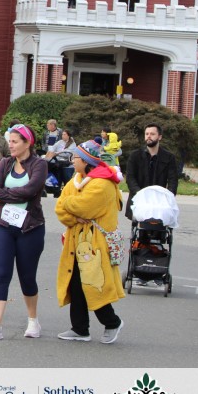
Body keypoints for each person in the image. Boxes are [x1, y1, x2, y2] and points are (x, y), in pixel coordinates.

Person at [55, 140, 125, 344]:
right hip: (76, 242)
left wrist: (68, 204)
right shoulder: (77, 179)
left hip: (96, 245)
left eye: (75, 157)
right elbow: (60, 209)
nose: (72, 160)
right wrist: (73, 216)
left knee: (94, 284)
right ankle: (79, 329)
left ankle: (112, 322)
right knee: (76, 283)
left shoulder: (102, 184)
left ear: (86, 161)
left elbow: (83, 206)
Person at [0, 123, 48, 341]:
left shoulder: (39, 164)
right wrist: (14, 194)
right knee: (1, 274)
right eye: (9, 141)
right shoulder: (5, 163)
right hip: (3, 225)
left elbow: (31, 190)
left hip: (30, 228)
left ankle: (33, 320)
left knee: (27, 277)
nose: (10, 145)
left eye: (15, 141)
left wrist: (7, 193)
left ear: (27, 143)